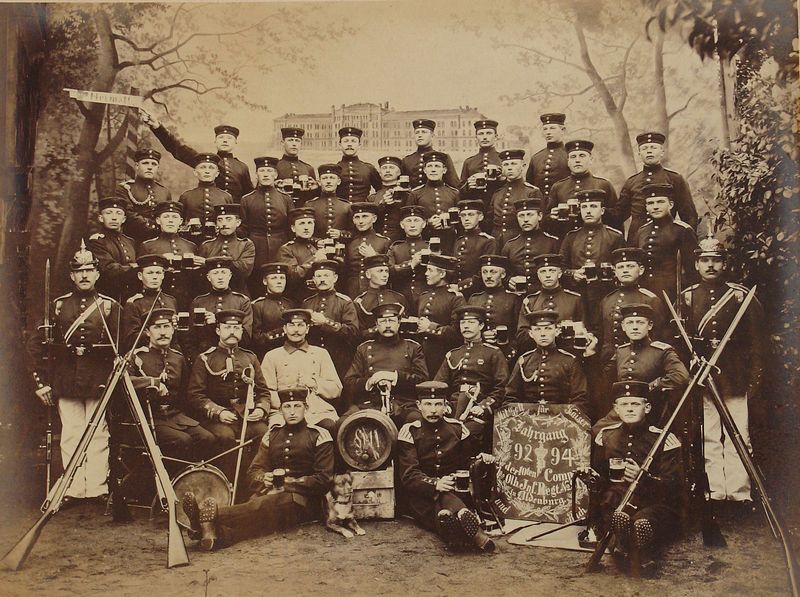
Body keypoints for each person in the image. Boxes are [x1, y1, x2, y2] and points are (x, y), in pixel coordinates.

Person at [181, 387, 334, 551]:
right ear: (281, 410)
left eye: (297, 406)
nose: (292, 412)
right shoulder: (272, 435)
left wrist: (286, 484)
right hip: (269, 499)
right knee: (255, 519)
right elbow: (253, 472)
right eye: (287, 407)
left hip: (302, 503)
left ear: (306, 408)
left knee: (259, 506)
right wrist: (264, 478)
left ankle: (207, 515)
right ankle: (212, 534)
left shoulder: (319, 435)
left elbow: (324, 480)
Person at [29, 243, 121, 503]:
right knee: (71, 432)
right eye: (78, 271)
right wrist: (41, 383)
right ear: (71, 276)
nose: (84, 275)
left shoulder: (109, 307)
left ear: (97, 274)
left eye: (89, 270)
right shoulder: (58, 306)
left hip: (98, 379)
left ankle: (97, 488)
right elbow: (36, 345)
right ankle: (72, 488)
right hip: (66, 378)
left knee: (99, 433)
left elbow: (119, 347)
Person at [678, 235, 765, 503]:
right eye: (705, 260)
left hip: (734, 375)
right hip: (704, 377)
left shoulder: (740, 296)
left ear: (724, 264)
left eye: (716, 260)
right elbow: (681, 343)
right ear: (696, 265)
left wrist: (755, 377)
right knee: (710, 435)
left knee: (739, 434)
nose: (710, 265)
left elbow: (756, 341)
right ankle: (715, 491)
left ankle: (740, 493)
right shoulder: (688, 297)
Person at [590, 380, 683, 576]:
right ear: (616, 408)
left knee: (642, 522)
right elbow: (600, 476)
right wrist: (590, 477)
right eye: (624, 404)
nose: (629, 409)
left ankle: (625, 547)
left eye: (635, 404)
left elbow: (673, 487)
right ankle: (637, 554)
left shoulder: (663, 439)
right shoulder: (606, 436)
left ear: (647, 407)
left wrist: (644, 478)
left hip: (653, 502)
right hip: (617, 500)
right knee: (612, 506)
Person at [397, 381, 495, 552]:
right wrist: (435, 484)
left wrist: (480, 459)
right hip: (421, 496)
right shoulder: (410, 431)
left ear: (445, 406)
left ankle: (452, 531)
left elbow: (467, 463)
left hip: (453, 489)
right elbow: (409, 475)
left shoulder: (458, 429)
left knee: (445, 512)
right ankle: (475, 532)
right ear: (419, 406)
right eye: (428, 404)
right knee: (441, 501)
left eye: (438, 404)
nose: (433, 410)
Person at [186, 309, 270, 475]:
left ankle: (255, 479)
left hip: (246, 416)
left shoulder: (250, 358)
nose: (232, 332)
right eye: (227, 327)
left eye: (237, 328)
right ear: (218, 330)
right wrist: (219, 412)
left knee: (263, 432)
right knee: (225, 437)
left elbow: (263, 391)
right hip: (217, 420)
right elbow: (195, 395)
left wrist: (261, 409)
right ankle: (227, 481)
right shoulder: (205, 358)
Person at [127, 308, 215, 463]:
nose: (163, 332)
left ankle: (193, 479)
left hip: (175, 416)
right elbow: (123, 382)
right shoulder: (135, 356)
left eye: (167, 326)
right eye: (157, 327)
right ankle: (174, 482)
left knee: (206, 438)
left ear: (173, 329)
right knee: (182, 441)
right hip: (148, 418)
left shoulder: (178, 358)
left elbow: (185, 394)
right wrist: (152, 382)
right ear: (147, 332)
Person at [594, 303, 689, 432]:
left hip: (650, 412)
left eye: (639, 322)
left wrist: (649, 387)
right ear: (623, 326)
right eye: (630, 323)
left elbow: (680, 377)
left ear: (649, 325)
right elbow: (604, 378)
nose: (634, 327)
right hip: (623, 411)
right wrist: (590, 355)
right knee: (594, 432)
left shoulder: (662, 351)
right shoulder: (621, 351)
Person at [433, 306, 509, 448]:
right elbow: (439, 385)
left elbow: (502, 386)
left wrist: (484, 406)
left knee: (467, 433)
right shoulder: (453, 354)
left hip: (478, 409)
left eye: (471, 322)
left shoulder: (493, 353)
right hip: (453, 408)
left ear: (481, 325)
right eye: (463, 323)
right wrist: (444, 405)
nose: (466, 326)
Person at [141, 109, 254, 202]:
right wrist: (157, 127)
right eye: (221, 138)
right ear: (215, 141)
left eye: (229, 138)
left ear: (235, 142)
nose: (225, 141)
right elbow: (177, 148)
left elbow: (249, 197)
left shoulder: (242, 167)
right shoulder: (205, 162)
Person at [344, 302, 428, 424]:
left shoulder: (413, 347)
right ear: (376, 324)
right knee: (343, 423)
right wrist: (370, 381)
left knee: (417, 422)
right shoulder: (364, 348)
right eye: (383, 321)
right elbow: (348, 382)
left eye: (392, 321)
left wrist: (394, 377)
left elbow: (423, 381)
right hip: (370, 404)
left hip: (404, 404)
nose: (387, 325)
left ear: (399, 323)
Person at [261, 309, 340, 431]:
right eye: (291, 325)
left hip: (316, 412)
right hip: (283, 412)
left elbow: (336, 389)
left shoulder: (320, 353)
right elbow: (266, 391)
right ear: (285, 328)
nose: (296, 330)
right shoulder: (272, 356)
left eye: (301, 325)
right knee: (278, 433)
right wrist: (283, 406)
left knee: (329, 427)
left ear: (307, 329)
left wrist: (314, 383)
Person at [559, 188, 625, 331]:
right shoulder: (571, 237)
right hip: (577, 296)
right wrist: (573, 274)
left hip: (604, 294)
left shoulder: (615, 236)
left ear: (602, 211)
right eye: (584, 207)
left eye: (593, 206)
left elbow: (623, 268)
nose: (588, 211)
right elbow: (560, 268)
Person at [502, 309, 589, 417]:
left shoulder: (570, 361)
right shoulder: (524, 361)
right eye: (537, 329)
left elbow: (580, 399)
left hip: (561, 422)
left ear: (557, 331)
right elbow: (510, 397)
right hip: (528, 423)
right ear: (531, 333)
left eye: (548, 329)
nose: (543, 334)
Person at [619, 132, 698, 241]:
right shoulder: (631, 182)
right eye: (644, 148)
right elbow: (619, 215)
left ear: (662, 152)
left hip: (667, 240)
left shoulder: (675, 179)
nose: (649, 151)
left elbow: (689, 216)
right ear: (639, 153)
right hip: (637, 240)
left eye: (653, 147)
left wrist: (688, 242)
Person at [597, 247, 668, 367]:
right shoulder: (607, 300)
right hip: (608, 362)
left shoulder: (650, 300)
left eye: (630, 266)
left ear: (641, 270)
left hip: (640, 364)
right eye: (620, 267)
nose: (625, 270)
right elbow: (601, 334)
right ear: (615, 272)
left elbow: (659, 337)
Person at [631, 183, 698, 302]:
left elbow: (692, 270)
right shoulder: (642, 231)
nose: (655, 207)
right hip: (645, 293)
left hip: (673, 293)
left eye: (660, 202)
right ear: (646, 207)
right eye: (651, 203)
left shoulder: (682, 230)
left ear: (671, 204)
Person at [240, 156, 294, 296]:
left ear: (275, 175)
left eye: (269, 171)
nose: (265, 174)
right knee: (257, 284)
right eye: (262, 171)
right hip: (256, 248)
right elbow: (243, 229)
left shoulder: (285, 198)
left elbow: (291, 227)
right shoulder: (247, 199)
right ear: (256, 174)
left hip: (281, 247)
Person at [547, 140, 621, 236]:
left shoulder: (603, 185)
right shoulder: (558, 187)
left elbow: (617, 218)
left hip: (597, 241)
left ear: (591, 160)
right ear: (568, 162)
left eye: (582, 156)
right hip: (565, 240)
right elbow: (546, 221)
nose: (577, 160)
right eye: (573, 157)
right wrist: (551, 217)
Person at [301, 260, 360, 380]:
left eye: (326, 275)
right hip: (312, 358)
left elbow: (353, 332)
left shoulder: (345, 302)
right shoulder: (307, 303)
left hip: (338, 358)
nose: (322, 279)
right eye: (319, 276)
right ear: (314, 279)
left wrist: (326, 323)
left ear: (335, 278)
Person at [138, 201, 202, 311]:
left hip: (187, 299)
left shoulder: (191, 246)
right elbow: (141, 276)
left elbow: (197, 279)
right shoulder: (147, 246)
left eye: (174, 217)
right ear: (158, 220)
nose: (170, 220)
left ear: (181, 221)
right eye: (166, 217)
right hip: (159, 300)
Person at [516, 253, 585, 352]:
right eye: (543, 271)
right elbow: (521, 335)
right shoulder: (530, 301)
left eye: (552, 271)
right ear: (538, 275)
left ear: (560, 274)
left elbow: (584, 330)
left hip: (569, 354)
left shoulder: (575, 299)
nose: (547, 275)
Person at [188, 256, 253, 358]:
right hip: (205, 357)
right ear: (209, 277)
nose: (220, 277)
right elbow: (191, 338)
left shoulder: (242, 301)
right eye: (215, 273)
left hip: (234, 356)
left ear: (230, 276)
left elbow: (246, 339)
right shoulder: (198, 302)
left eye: (223, 272)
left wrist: (217, 322)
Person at [416, 254, 466, 376]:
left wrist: (430, 327)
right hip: (421, 355)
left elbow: (458, 333)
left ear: (442, 274)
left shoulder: (455, 298)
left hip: (442, 355)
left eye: (430, 270)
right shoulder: (424, 296)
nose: (426, 273)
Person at [466, 254, 521, 361]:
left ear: (503, 274)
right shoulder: (474, 299)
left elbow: (519, 332)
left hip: (506, 353)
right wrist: (481, 335)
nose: (488, 276)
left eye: (493, 272)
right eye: (484, 272)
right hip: (478, 354)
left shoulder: (513, 298)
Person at [121, 254, 179, 352]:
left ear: (163, 275)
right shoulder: (134, 303)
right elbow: (131, 338)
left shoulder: (171, 300)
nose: (155, 277)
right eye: (150, 273)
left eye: (158, 273)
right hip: (146, 355)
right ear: (140, 276)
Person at [487, 149, 542, 249]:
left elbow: (540, 223)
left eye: (513, 164)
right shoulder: (497, 193)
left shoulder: (532, 191)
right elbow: (489, 220)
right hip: (496, 242)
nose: (510, 168)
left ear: (523, 166)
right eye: (506, 165)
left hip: (520, 243)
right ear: (502, 168)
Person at [408, 151, 460, 254]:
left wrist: (451, 219)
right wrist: (428, 223)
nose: (433, 169)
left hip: (449, 242)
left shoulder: (454, 193)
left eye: (437, 166)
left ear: (444, 170)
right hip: (424, 241)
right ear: (425, 170)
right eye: (430, 166)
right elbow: (409, 219)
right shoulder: (415, 193)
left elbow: (462, 221)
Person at [501, 197, 559, 289]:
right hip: (517, 294)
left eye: (529, 215)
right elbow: (503, 272)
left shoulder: (552, 242)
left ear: (540, 216)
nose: (525, 220)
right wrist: (509, 280)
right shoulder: (510, 245)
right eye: (521, 216)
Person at [87, 196, 138, 302]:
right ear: (101, 218)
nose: (114, 217)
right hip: (108, 297)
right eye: (109, 213)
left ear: (124, 219)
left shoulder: (130, 241)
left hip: (131, 297)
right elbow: (109, 269)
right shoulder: (97, 241)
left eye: (118, 213)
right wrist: (136, 268)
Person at [116, 148, 172, 243]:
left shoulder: (164, 191)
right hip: (134, 241)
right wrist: (155, 226)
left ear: (157, 168)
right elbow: (129, 215)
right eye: (145, 163)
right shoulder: (125, 188)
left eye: (154, 164)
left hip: (160, 242)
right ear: (137, 166)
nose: (150, 167)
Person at [197, 203, 255, 295]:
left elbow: (244, 270)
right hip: (210, 295)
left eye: (228, 219)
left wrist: (208, 263)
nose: (224, 224)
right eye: (220, 220)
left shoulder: (246, 245)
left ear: (238, 222)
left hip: (238, 294)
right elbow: (200, 275)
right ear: (216, 223)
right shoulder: (206, 245)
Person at [177, 152, 233, 239]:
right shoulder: (186, 196)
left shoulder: (226, 197)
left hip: (217, 244)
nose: (207, 171)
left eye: (211, 168)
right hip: (192, 242)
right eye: (203, 167)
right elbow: (179, 223)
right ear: (195, 172)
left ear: (217, 173)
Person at [276, 207, 327, 300]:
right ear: (293, 228)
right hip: (298, 300)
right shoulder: (286, 249)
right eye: (302, 223)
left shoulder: (314, 247)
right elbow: (293, 276)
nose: (306, 227)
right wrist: (315, 259)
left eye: (310, 223)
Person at [343, 202, 391, 298]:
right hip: (352, 290)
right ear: (353, 220)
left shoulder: (383, 241)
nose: (360, 221)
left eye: (365, 216)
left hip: (376, 291)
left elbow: (391, 269)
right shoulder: (349, 242)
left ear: (374, 219)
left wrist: (374, 256)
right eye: (357, 217)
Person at [352, 254, 407, 338]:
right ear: (368, 274)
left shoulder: (399, 298)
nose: (385, 275)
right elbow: (359, 334)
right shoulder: (360, 302)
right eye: (380, 271)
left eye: (386, 271)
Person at [388, 205, 430, 312]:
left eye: (416, 220)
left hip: (426, 297)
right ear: (402, 225)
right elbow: (388, 273)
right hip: (400, 297)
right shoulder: (395, 248)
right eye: (408, 221)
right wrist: (411, 264)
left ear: (424, 224)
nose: (412, 225)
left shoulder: (430, 247)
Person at [251, 262, 296, 359]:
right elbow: (257, 339)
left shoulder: (291, 304)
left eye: (282, 278)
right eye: (274, 278)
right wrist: (284, 331)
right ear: (265, 281)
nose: (279, 281)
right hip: (268, 355)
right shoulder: (257, 305)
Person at [452, 199, 497, 292]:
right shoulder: (459, 241)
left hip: (478, 291)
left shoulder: (488, 241)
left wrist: (460, 286)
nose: (466, 219)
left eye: (471, 215)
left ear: (480, 217)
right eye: (463, 215)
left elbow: (485, 272)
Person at [459, 119, 503, 211]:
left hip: (498, 207)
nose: (485, 137)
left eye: (488, 133)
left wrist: (501, 177)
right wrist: (468, 186)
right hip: (476, 210)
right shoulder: (469, 162)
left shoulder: (502, 160)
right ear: (476, 137)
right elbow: (460, 191)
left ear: (496, 136)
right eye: (481, 134)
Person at [401, 118, 459, 188]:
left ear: (432, 136)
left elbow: (453, 185)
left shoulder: (443, 158)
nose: (420, 135)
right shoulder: (407, 160)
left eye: (424, 132)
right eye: (417, 132)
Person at [525, 113, 570, 199]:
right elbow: (529, 186)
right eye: (545, 129)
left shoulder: (570, 155)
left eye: (552, 128)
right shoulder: (536, 158)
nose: (548, 132)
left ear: (563, 130)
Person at [305, 163, 353, 242]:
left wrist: (341, 234)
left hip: (340, 249)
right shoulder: (309, 205)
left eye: (332, 178)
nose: (328, 181)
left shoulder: (347, 206)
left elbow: (355, 232)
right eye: (324, 178)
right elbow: (303, 231)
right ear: (319, 182)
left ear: (338, 181)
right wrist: (316, 241)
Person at [367, 155, 409, 242]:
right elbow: (368, 220)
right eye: (384, 168)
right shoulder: (372, 198)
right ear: (380, 173)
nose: (388, 170)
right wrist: (382, 205)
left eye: (392, 168)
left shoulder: (408, 194)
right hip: (378, 242)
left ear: (399, 173)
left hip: (400, 242)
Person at [275, 127, 319, 207]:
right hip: (281, 211)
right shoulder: (275, 167)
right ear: (282, 143)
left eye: (297, 141)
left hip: (303, 213)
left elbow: (314, 196)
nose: (294, 144)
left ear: (301, 144)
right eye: (290, 140)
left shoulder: (308, 168)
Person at [335, 126, 381, 202]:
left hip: (363, 211)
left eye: (353, 141)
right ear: (340, 144)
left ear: (359, 145)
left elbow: (381, 190)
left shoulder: (369, 168)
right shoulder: (335, 169)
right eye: (346, 141)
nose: (349, 144)